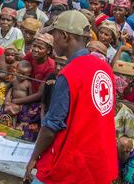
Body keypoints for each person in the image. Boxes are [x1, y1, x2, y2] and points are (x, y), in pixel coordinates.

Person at [25, 10, 118, 184]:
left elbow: (51, 128)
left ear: (65, 36)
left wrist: (33, 157)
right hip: (101, 162)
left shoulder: (69, 74)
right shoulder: (104, 68)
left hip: (73, 165)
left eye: (54, 34)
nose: (52, 38)